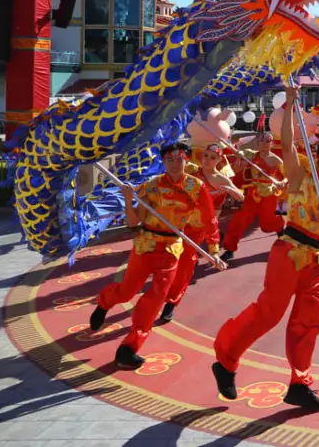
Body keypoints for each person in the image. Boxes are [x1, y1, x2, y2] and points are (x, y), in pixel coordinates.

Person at [213, 84, 319, 411]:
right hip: (289, 251)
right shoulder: (300, 176)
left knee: (310, 319)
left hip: (314, 259)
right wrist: (290, 105)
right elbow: (289, 145)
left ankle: (299, 383)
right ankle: (226, 360)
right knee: (269, 313)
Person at [88, 141, 225, 369]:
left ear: (187, 161)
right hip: (147, 244)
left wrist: (214, 251)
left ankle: (128, 348)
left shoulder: (195, 186)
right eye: (169, 160)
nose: (174, 164)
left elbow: (210, 219)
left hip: (172, 248)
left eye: (179, 159)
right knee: (127, 291)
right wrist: (129, 199)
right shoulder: (151, 186)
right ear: (163, 162)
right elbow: (133, 222)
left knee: (156, 299)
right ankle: (104, 303)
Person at [161, 142, 244, 323]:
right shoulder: (191, 170)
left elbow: (241, 196)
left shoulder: (221, 179)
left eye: (213, 157)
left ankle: (171, 302)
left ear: (219, 160)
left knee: (185, 267)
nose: (208, 160)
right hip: (178, 222)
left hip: (199, 228)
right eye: (206, 155)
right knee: (164, 259)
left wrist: (230, 190)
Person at [221, 132, 286, 263]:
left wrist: (281, 182)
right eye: (261, 141)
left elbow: (287, 176)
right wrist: (239, 159)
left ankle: (280, 229)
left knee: (268, 223)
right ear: (258, 142)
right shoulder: (250, 155)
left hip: (269, 194)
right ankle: (229, 249)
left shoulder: (276, 160)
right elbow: (236, 162)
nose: (264, 143)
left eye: (267, 141)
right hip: (253, 193)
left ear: (271, 143)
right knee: (239, 220)